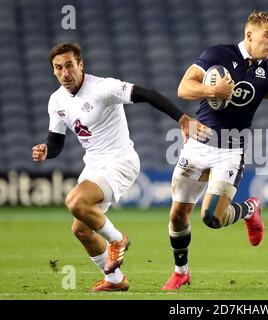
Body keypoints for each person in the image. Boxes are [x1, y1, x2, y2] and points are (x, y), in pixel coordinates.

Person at [31, 42, 211, 292]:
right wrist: (46, 150)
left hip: (120, 161)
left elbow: (148, 95)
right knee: (81, 230)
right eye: (58, 68)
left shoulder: (104, 88)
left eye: (70, 65)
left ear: (80, 65)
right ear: (53, 71)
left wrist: (182, 120)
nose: (65, 73)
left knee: (74, 202)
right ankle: (115, 280)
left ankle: (118, 239)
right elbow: (57, 142)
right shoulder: (56, 101)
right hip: (94, 164)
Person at [161, 10, 268, 290]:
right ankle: (181, 272)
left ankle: (249, 209)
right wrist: (212, 92)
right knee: (177, 215)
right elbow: (184, 88)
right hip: (198, 144)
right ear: (250, 35)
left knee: (212, 218)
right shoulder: (217, 55)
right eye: (267, 35)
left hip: (231, 150)